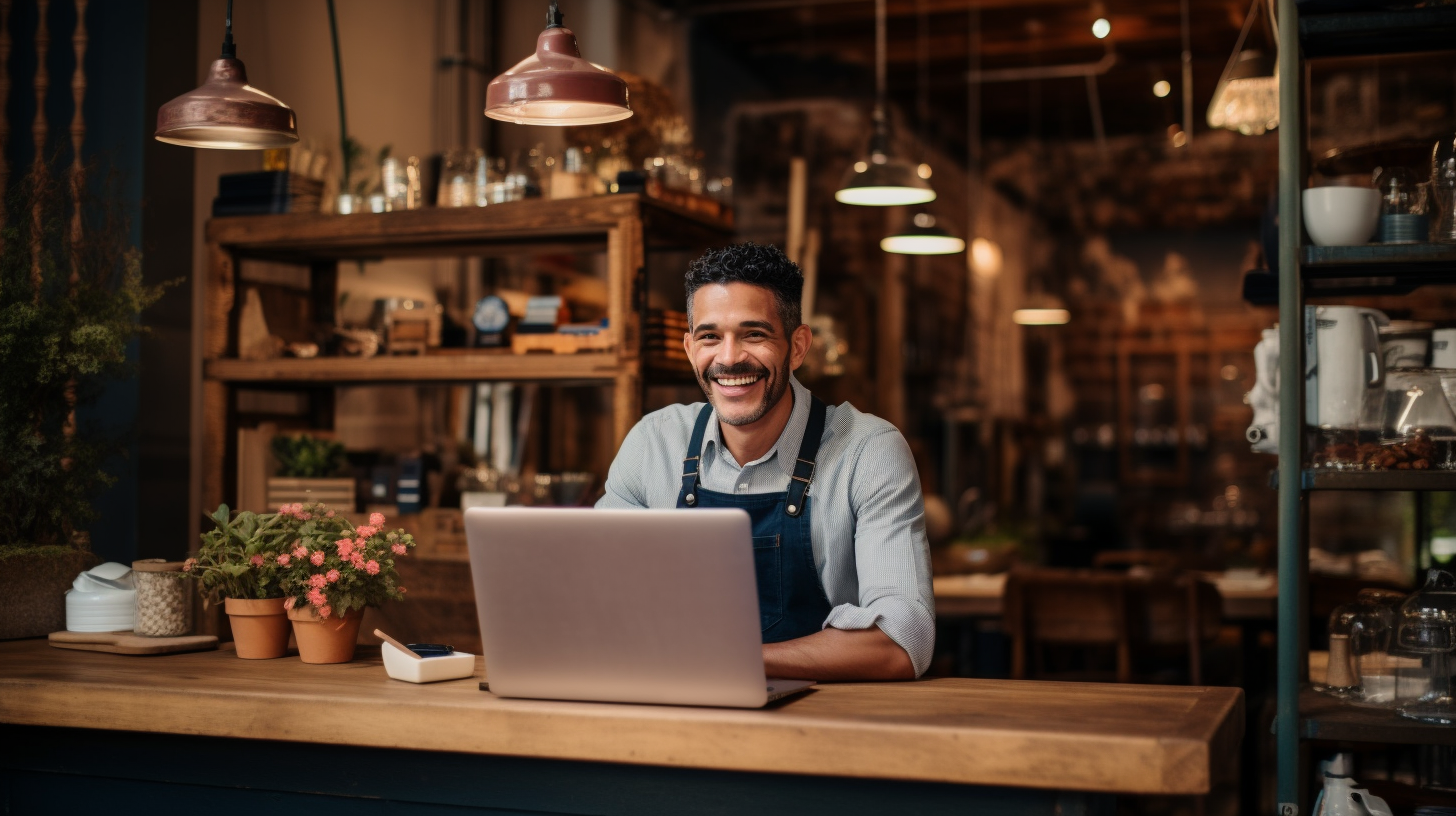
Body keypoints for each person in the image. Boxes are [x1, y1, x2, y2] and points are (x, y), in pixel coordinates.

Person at [597, 242, 933, 681]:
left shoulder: (868, 452)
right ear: (688, 347)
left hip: (820, 724)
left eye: (754, 334)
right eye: (710, 336)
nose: (730, 357)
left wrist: (733, 660)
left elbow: (905, 640)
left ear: (797, 346)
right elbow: (598, 599)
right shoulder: (653, 444)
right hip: (677, 709)